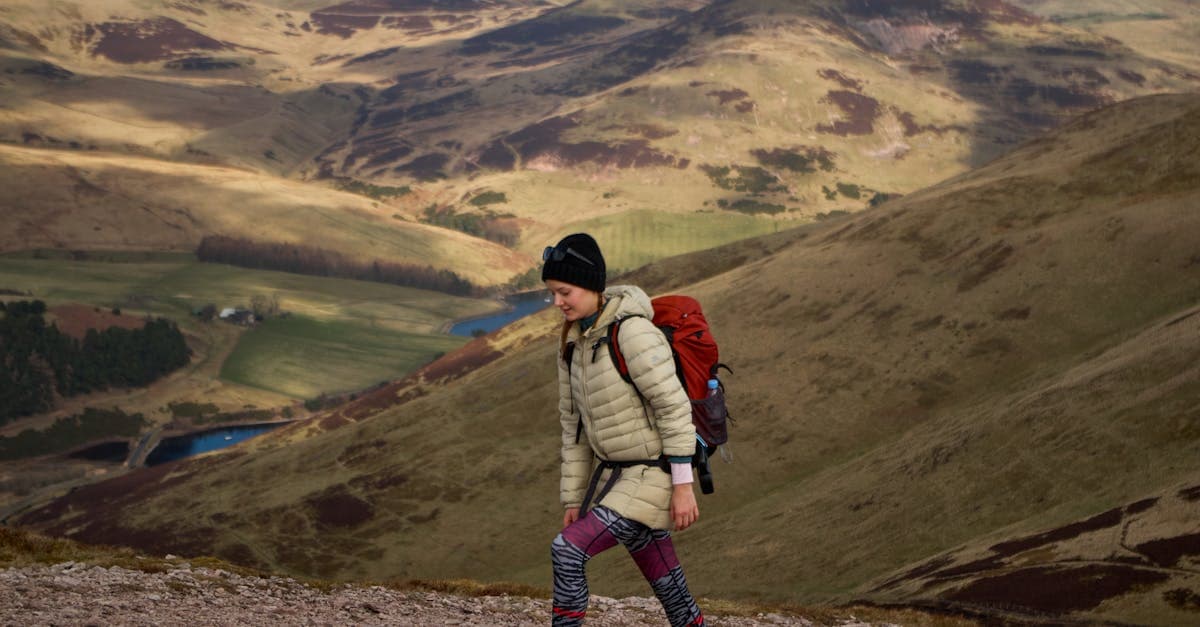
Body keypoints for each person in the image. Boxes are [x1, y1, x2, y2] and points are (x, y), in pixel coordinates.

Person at [543, 233, 705, 627]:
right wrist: (572, 500)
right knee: (668, 584)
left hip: (653, 473)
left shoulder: (632, 333)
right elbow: (574, 430)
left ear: (592, 285)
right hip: (617, 480)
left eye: (565, 291)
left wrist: (683, 487)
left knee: (567, 551)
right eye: (551, 293)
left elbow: (673, 408)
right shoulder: (574, 344)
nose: (557, 302)